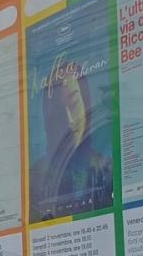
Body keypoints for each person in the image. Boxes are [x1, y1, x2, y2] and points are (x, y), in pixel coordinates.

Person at [30, 58, 113, 221]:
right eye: (59, 111)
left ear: (85, 102)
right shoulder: (37, 178)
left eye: (74, 104)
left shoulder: (106, 168)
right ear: (48, 118)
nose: (69, 120)